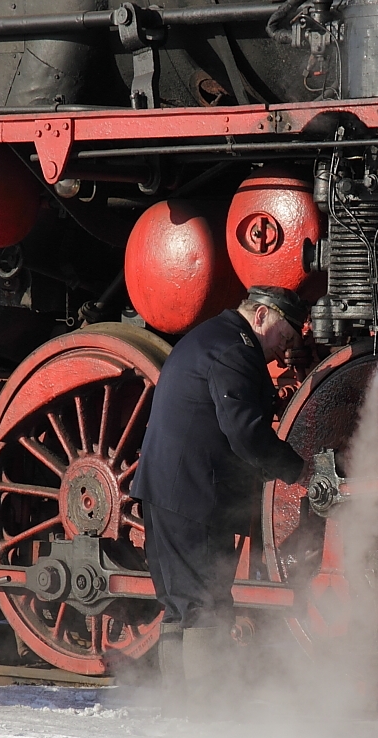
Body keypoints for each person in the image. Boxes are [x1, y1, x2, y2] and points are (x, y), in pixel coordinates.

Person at [131, 285, 309, 698]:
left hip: (168, 491)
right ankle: (209, 717)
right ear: (262, 315)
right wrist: (296, 469)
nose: (281, 350)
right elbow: (245, 432)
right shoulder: (236, 349)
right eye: (282, 337)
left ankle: (181, 712)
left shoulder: (211, 335)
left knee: (179, 605)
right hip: (194, 497)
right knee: (205, 605)